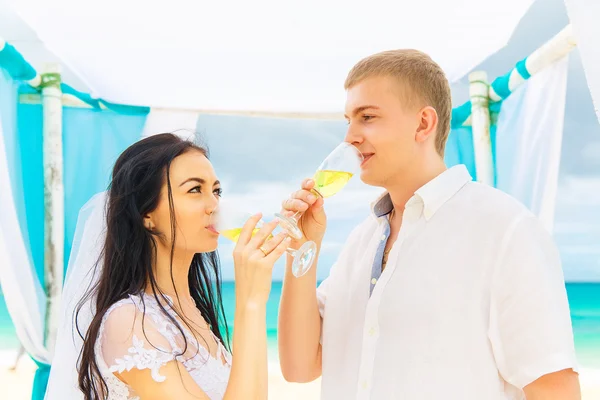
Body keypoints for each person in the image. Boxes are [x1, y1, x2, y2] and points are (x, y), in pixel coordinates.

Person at [277, 49, 581, 399]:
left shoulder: (505, 229)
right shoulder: (360, 242)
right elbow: (299, 367)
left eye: (368, 117)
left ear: (423, 124)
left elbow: (555, 388)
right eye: (348, 120)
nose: (350, 137)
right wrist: (303, 247)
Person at [45, 133, 290, 400]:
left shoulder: (193, 312)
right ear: (147, 215)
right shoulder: (129, 321)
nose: (214, 205)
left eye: (216, 191)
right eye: (195, 190)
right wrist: (250, 301)